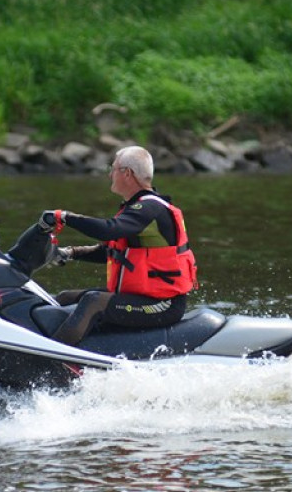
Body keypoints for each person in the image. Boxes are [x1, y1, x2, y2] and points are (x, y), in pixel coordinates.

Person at [36, 145, 197, 345]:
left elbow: (107, 230)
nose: (110, 174)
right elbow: (114, 252)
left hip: (164, 304)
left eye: (113, 169)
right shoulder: (139, 208)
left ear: (127, 173)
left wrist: (65, 217)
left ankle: (50, 356)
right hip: (141, 296)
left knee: (93, 302)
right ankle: (36, 337)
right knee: (65, 297)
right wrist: (70, 253)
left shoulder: (149, 208)